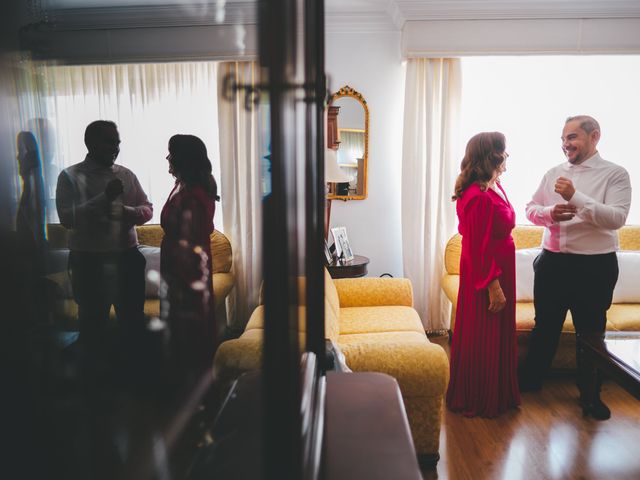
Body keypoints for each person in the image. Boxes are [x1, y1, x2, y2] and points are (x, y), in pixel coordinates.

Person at [519, 115, 631, 420]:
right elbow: (530, 209)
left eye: (572, 138)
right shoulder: (553, 172)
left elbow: (616, 219)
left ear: (594, 136)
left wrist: (575, 197)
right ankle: (530, 383)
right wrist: (551, 213)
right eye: (563, 139)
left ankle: (591, 395)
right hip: (552, 262)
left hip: (595, 266)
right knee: (545, 327)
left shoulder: (615, 175)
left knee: (591, 332)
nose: (566, 144)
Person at [56, 120, 153, 372]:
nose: (115, 147)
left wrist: (126, 211)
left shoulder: (126, 174)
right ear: (90, 143)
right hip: (88, 262)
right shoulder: (69, 176)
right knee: (92, 324)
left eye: (117, 142)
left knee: (132, 322)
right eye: (109, 142)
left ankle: (133, 380)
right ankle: (96, 384)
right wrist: (104, 198)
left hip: (127, 258)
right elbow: (66, 219)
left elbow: (147, 209)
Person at [446, 131, 521, 418]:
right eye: (503, 151)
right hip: (487, 270)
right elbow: (476, 246)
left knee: (497, 330)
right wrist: (493, 285)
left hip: (500, 264)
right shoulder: (478, 196)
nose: (507, 156)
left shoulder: (493, 187)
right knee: (485, 330)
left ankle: (498, 391)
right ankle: (480, 395)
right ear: (491, 156)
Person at [161, 134, 219, 382]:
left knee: (190, 326)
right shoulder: (182, 186)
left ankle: (192, 383)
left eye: (172, 153)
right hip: (177, 265)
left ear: (183, 158)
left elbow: (194, 237)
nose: (168, 158)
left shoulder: (194, 194)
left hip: (186, 270)